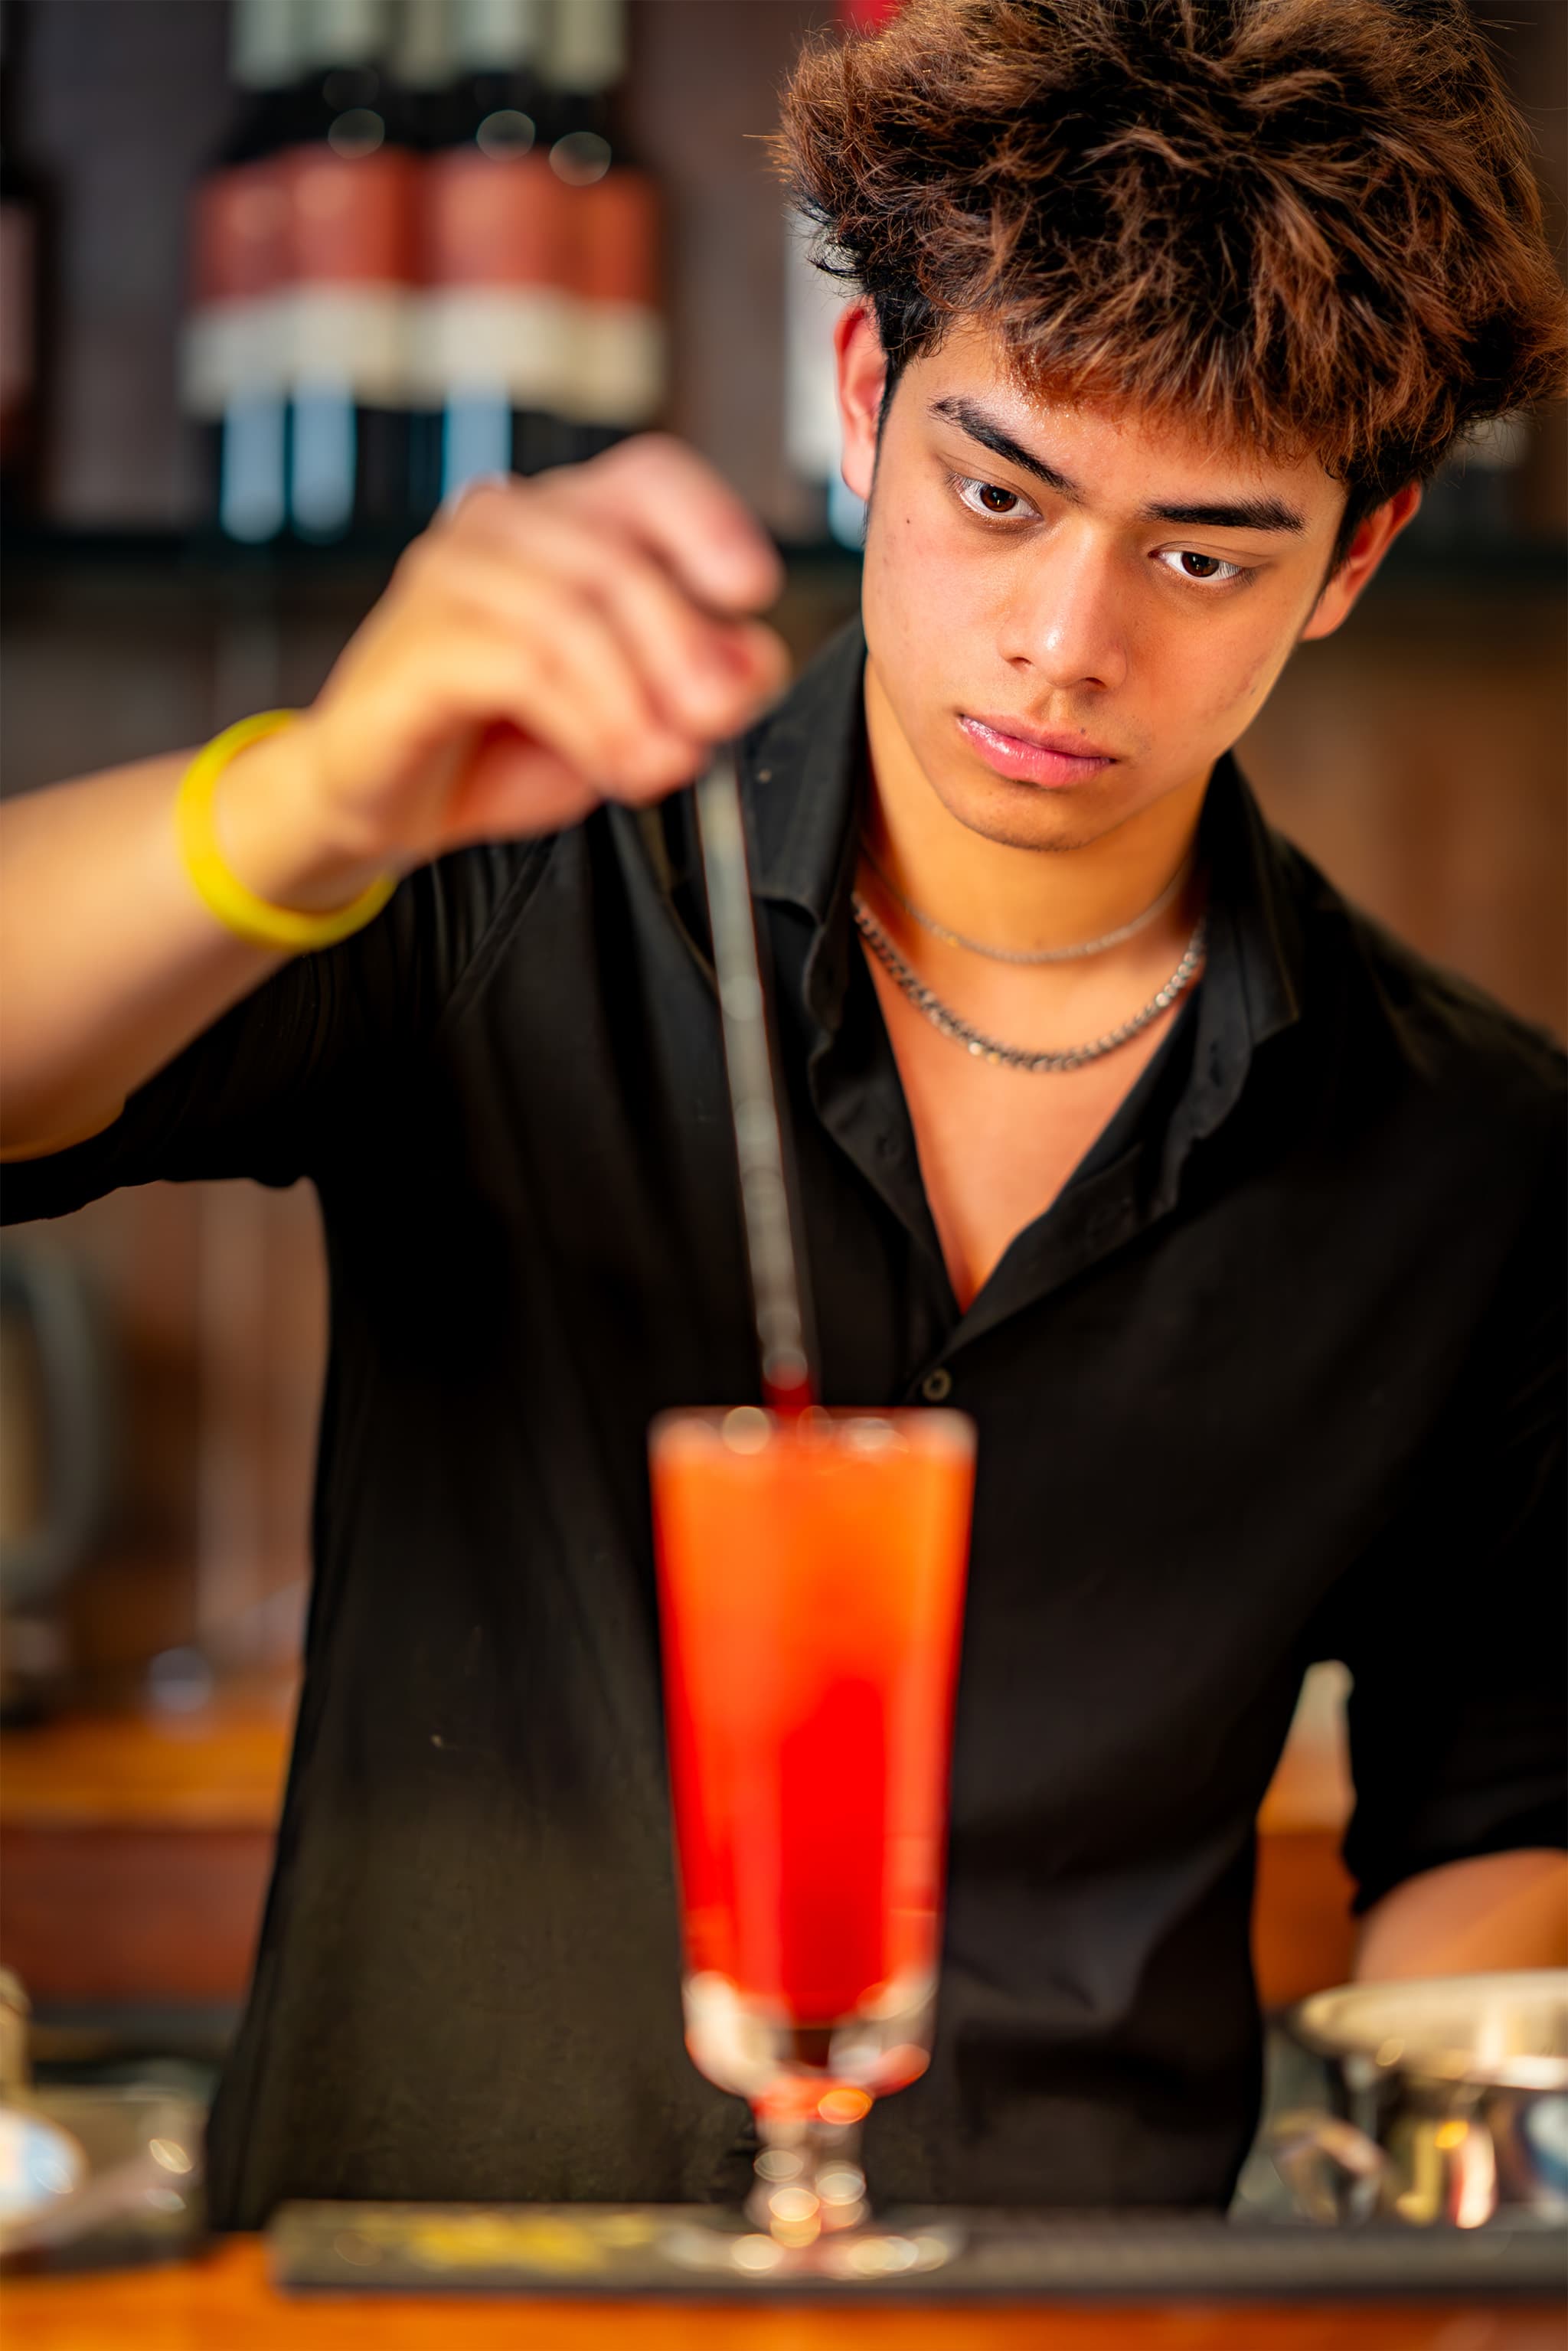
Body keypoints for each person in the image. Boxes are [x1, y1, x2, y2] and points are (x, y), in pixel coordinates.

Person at [2, 0, 1564, 2227]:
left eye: (1203, 555)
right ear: (863, 402)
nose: (1062, 641)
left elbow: (1498, 1814)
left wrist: (1439, 2201)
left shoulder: (1478, 1165)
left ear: (1356, 559)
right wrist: (328, 794)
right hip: (432, 2295)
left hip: (1065, 2324)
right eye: (998, 490)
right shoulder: (493, 877)